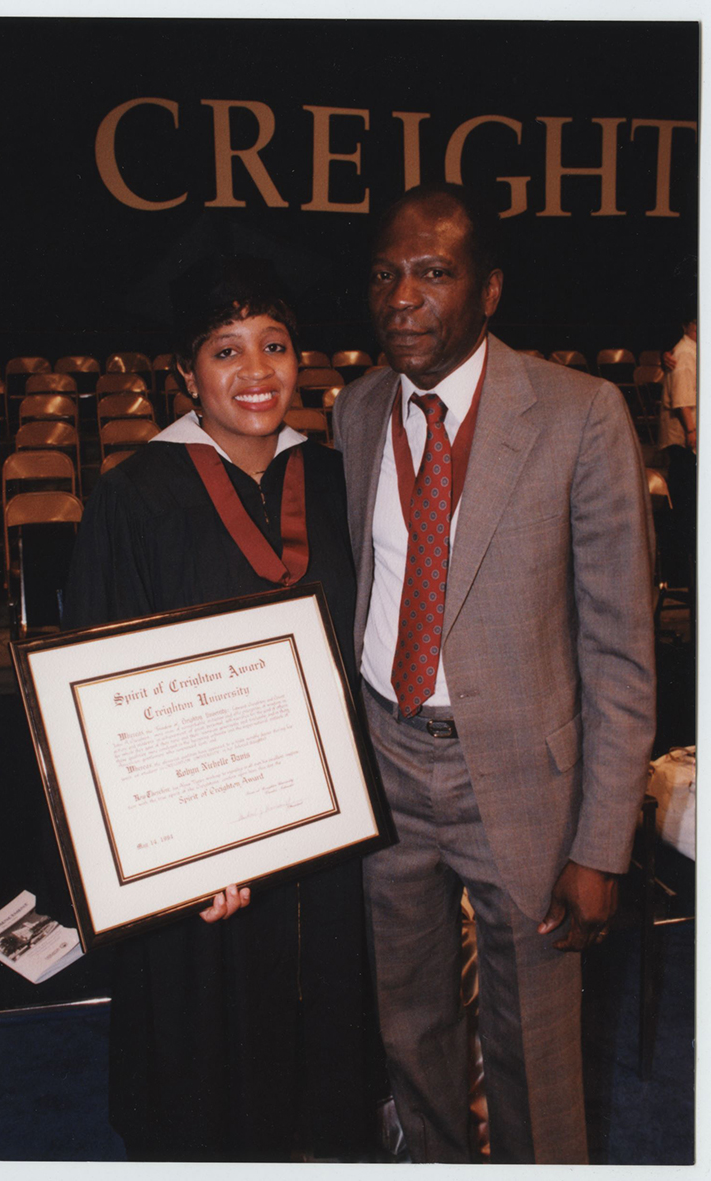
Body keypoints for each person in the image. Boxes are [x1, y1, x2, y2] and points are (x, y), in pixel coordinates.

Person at [333, 182, 656, 1164]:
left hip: (514, 782)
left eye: (431, 272)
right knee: (409, 1026)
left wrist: (600, 845)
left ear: (488, 289)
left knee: (533, 1049)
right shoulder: (353, 411)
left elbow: (618, 648)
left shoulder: (578, 414)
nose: (401, 298)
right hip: (385, 767)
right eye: (385, 273)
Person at [63, 256, 378, 1163]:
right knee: (211, 1068)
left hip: (325, 839)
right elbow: (106, 700)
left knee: (326, 1063)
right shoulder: (132, 497)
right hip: (207, 864)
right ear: (186, 373)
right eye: (226, 348)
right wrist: (177, 855)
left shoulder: (336, 479)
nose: (257, 370)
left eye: (275, 345)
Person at [658, 313, 697, 587]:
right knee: (686, 508)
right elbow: (684, 399)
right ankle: (682, 575)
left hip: (690, 442)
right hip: (686, 443)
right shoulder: (683, 353)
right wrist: (693, 432)